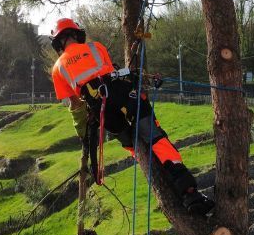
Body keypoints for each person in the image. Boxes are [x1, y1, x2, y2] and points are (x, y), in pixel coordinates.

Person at [49, 18, 215, 216]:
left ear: (58, 42)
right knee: (155, 137)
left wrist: (82, 132)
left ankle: (159, 176)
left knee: (131, 143)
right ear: (77, 35)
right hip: (124, 94)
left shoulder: (58, 68)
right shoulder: (96, 47)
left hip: (102, 108)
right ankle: (189, 192)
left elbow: (75, 105)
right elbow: (111, 73)